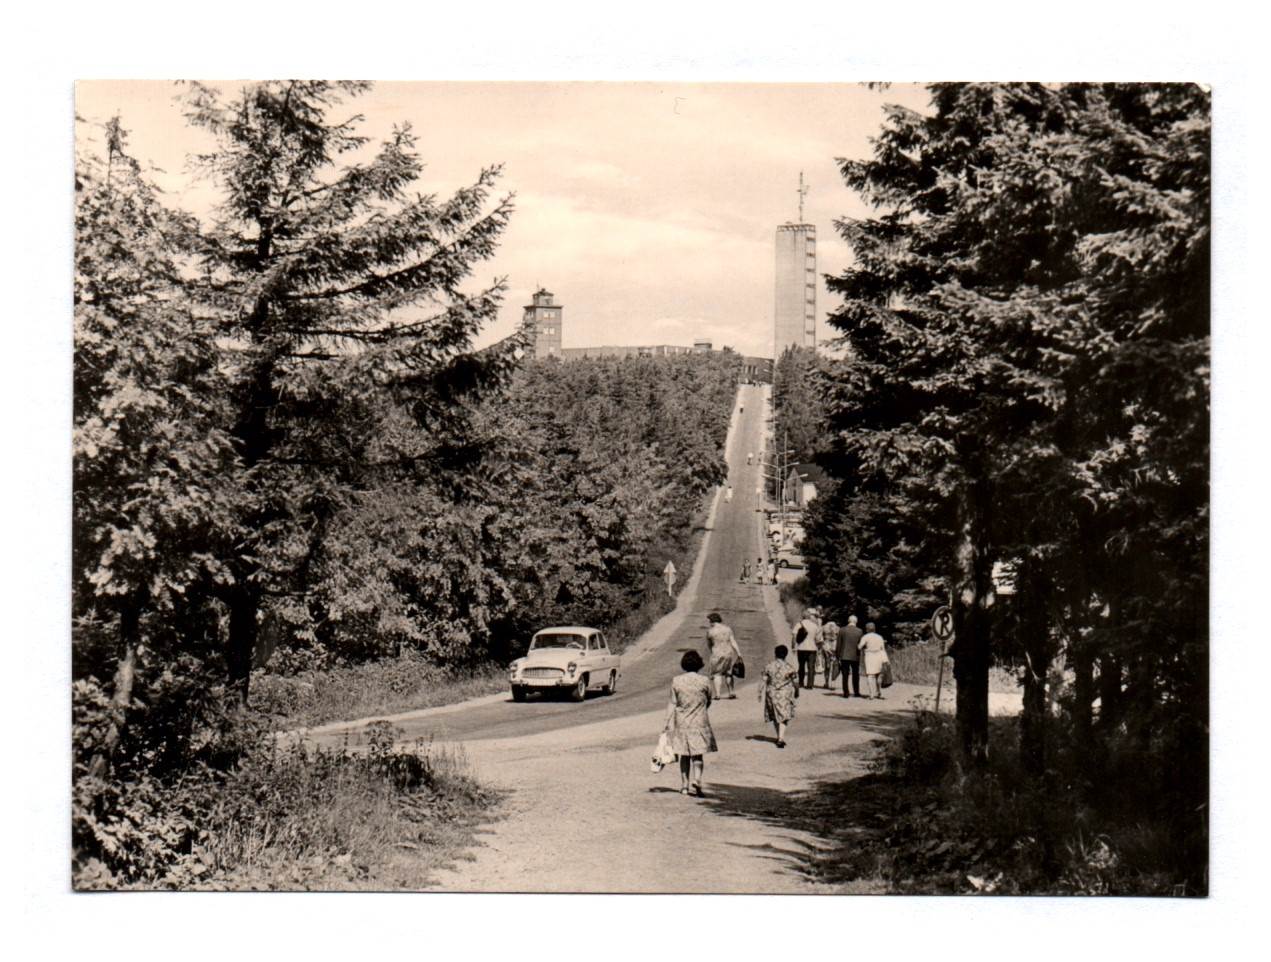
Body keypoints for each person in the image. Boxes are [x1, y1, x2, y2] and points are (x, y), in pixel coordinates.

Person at [663, 650, 717, 796]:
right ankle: (697, 780)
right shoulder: (705, 681)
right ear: (699, 664)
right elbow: (709, 700)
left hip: (682, 721)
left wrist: (666, 721)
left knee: (684, 755)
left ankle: (684, 786)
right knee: (698, 754)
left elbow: (673, 702)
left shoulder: (677, 680)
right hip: (700, 721)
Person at [758, 644, 798, 748]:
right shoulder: (789, 667)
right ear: (786, 655)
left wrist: (759, 692)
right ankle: (780, 738)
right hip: (785, 694)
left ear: (775, 654)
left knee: (776, 716)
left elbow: (763, 680)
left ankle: (779, 737)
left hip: (771, 693)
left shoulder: (769, 666)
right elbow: (795, 682)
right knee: (784, 716)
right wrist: (797, 691)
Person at [705, 612, 743, 699]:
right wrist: (738, 653)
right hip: (728, 653)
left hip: (716, 653)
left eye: (709, 621)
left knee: (716, 674)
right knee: (728, 673)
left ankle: (718, 694)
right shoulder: (727, 629)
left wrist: (712, 651)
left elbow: (709, 645)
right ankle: (731, 692)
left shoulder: (710, 631)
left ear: (712, 621)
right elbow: (733, 641)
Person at [859, 622, 889, 699]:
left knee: (870, 675)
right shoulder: (879, 637)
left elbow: (859, 647)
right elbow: (883, 649)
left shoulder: (865, 637)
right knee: (878, 674)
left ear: (867, 629)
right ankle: (879, 691)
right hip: (879, 655)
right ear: (874, 629)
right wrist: (886, 659)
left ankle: (871, 693)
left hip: (870, 656)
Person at [793, 606, 821, 690]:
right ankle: (810, 684)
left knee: (801, 666)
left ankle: (801, 682)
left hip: (801, 648)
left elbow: (794, 636)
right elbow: (818, 639)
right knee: (811, 667)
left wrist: (793, 646)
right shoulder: (815, 626)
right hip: (812, 648)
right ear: (809, 617)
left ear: (803, 616)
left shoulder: (799, 624)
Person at [836, 615, 863, 698]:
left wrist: (837, 655)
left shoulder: (842, 630)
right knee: (855, 674)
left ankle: (846, 692)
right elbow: (861, 644)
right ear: (856, 621)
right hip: (855, 656)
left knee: (845, 674)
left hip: (844, 655)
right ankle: (856, 692)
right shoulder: (859, 631)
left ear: (848, 621)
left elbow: (839, 644)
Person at [817, 614, 840, 689]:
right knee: (835, 665)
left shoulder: (823, 627)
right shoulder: (837, 628)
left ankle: (826, 682)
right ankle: (833, 682)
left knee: (827, 665)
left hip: (826, 646)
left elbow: (820, 638)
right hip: (835, 646)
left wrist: (821, 646)